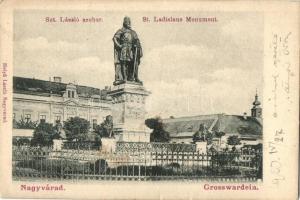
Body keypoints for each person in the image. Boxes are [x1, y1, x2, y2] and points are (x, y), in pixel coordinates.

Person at [113, 16, 143, 84]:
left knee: (133, 63)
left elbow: (137, 40)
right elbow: (115, 38)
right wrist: (119, 46)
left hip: (131, 49)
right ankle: (124, 78)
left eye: (129, 22)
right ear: (124, 22)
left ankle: (135, 77)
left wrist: (137, 45)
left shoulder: (133, 32)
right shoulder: (121, 31)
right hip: (124, 48)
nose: (128, 23)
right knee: (124, 62)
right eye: (127, 22)